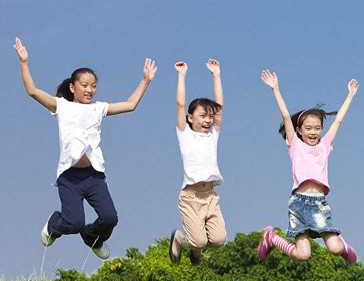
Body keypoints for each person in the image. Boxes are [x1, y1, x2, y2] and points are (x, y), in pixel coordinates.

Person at [13, 37, 157, 259]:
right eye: (84, 85)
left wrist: (145, 81)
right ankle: (53, 225)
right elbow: (32, 91)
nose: (90, 89)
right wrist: (24, 62)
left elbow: (130, 105)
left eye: (94, 86)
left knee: (110, 218)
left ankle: (92, 237)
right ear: (72, 87)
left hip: (93, 176)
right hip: (69, 177)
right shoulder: (62, 106)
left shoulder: (99, 108)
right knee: (73, 222)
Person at [257, 69, 359, 265]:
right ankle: (272, 239)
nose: (313, 132)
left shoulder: (325, 145)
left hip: (319, 203)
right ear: (299, 130)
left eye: (317, 128)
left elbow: (338, 121)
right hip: (298, 203)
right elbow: (285, 116)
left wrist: (350, 96)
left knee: (335, 248)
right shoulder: (295, 145)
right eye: (308, 128)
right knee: (303, 255)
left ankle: (345, 248)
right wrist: (275, 88)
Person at [169, 59, 226, 265]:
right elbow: (180, 104)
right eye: (202, 116)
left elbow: (219, 107)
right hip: (190, 197)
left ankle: (195, 248)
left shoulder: (213, 134)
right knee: (199, 241)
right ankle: (180, 239)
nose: (208, 120)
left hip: (210, 196)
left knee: (219, 240)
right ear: (190, 118)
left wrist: (216, 75)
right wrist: (181, 75)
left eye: (210, 117)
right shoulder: (184, 134)